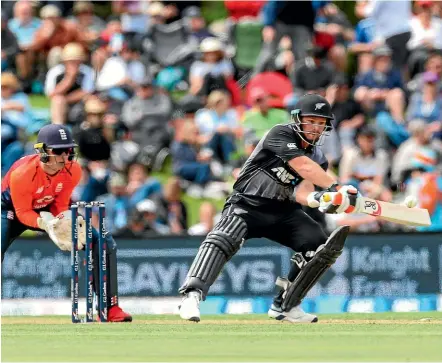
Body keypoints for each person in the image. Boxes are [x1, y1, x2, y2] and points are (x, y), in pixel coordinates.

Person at [178, 94, 362, 323]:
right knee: (224, 238)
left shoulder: (318, 157)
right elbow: (302, 167)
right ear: (298, 120)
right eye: (311, 121)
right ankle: (191, 295)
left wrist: (320, 198)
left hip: (282, 211)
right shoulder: (280, 133)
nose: (315, 127)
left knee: (319, 244)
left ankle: (286, 305)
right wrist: (337, 186)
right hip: (247, 203)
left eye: (320, 122)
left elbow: (302, 190)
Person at [1, 124, 132, 322]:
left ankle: (109, 309)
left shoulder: (73, 169)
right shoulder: (23, 173)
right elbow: (22, 212)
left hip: (48, 209)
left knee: (103, 242)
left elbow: (60, 204)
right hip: (10, 209)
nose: (65, 156)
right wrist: (46, 224)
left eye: (69, 150)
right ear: (43, 151)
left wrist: (64, 220)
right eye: (59, 151)